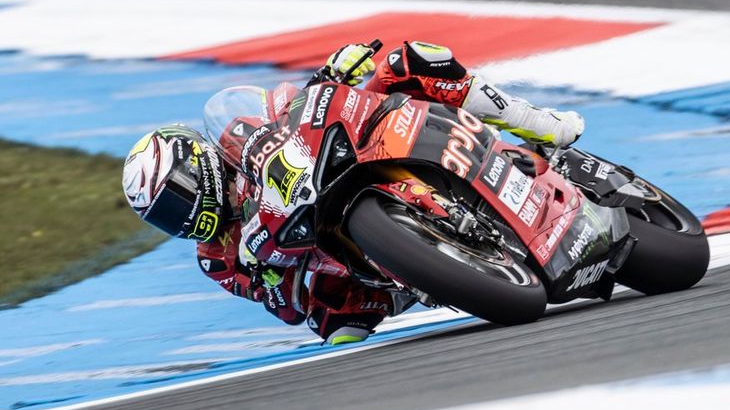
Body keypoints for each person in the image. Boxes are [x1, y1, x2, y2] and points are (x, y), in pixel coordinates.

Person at [122, 41, 585, 345]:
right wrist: (265, 274)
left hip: (347, 154)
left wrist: (329, 75)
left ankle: (541, 127)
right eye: (165, 217)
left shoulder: (236, 133)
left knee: (414, 60)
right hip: (333, 253)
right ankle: (422, 276)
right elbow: (284, 306)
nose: (180, 217)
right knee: (334, 327)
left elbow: (284, 109)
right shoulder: (217, 257)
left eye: (177, 200)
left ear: (197, 165)